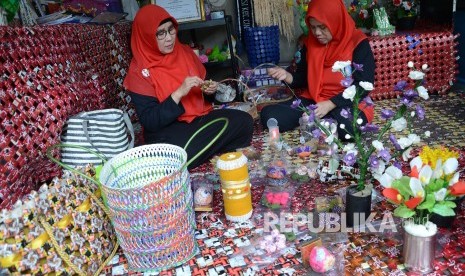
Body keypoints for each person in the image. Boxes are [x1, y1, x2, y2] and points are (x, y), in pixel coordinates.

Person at [123, 4, 254, 169]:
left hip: (198, 121)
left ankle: (194, 154)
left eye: (171, 30)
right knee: (177, 152)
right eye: (161, 33)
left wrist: (209, 91)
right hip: (168, 132)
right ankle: (197, 151)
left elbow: (202, 97)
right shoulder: (138, 72)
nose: (169, 38)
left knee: (244, 122)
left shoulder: (184, 52)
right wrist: (178, 93)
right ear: (146, 36)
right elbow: (150, 121)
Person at [260, 0, 375, 140]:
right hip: (314, 100)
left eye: (322, 27)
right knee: (269, 115)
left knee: (349, 129)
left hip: (346, 102)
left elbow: (364, 84)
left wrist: (330, 104)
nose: (317, 33)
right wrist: (287, 76)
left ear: (336, 21)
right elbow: (304, 78)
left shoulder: (358, 43)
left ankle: (321, 120)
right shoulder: (310, 43)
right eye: (313, 27)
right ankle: (322, 121)